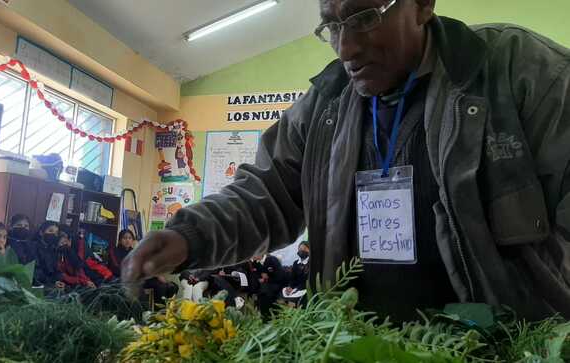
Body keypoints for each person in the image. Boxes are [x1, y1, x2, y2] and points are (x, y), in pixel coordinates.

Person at [122, 0, 570, 321]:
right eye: (332, 26)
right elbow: (266, 193)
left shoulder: (519, 71)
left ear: (423, 5)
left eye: (365, 17)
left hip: (498, 345)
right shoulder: (326, 104)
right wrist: (189, 237)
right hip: (355, 340)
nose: (346, 47)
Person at [31, 221, 65, 290]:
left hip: (50, 283)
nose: (53, 234)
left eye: (56, 233)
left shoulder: (53, 249)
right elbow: (36, 272)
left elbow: (56, 269)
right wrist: (52, 282)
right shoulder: (33, 247)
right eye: (50, 231)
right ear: (41, 232)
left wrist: (57, 280)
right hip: (38, 284)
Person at [255, 254, 286, 320]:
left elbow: (280, 275)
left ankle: (278, 320)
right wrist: (260, 279)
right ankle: (266, 319)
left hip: (276, 288)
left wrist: (267, 279)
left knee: (276, 309)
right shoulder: (256, 264)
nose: (253, 256)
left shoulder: (272, 259)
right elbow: (257, 276)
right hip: (264, 290)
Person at [281, 242, 311, 306]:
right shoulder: (296, 263)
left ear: (309, 250)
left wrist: (296, 289)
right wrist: (290, 287)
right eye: (300, 249)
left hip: (306, 289)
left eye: (305, 248)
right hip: (295, 289)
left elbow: (309, 280)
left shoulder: (311, 263)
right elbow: (292, 278)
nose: (302, 250)